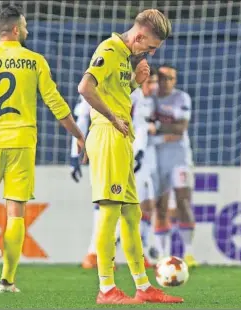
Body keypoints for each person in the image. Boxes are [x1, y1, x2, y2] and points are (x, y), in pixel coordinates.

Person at [0, 5, 85, 293]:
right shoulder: (34, 60)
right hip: (23, 142)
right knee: (15, 211)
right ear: (16, 29)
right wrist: (78, 134)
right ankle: (8, 281)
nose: (27, 30)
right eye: (25, 26)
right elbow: (55, 102)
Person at [77, 9, 183, 304]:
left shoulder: (124, 57)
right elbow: (85, 87)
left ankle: (143, 286)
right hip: (108, 135)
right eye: (149, 47)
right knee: (110, 213)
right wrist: (112, 118)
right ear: (138, 36)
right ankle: (106, 289)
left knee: (131, 214)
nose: (148, 52)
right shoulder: (109, 50)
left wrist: (135, 82)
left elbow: (115, 94)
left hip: (121, 138)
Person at [152, 64, 197, 267]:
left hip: (180, 158)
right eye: (164, 78)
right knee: (160, 205)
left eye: (171, 78)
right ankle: (163, 255)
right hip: (158, 158)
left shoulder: (181, 98)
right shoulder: (148, 98)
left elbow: (181, 128)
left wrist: (158, 126)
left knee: (183, 202)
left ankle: (188, 253)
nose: (168, 82)